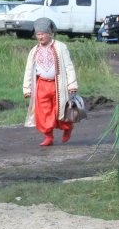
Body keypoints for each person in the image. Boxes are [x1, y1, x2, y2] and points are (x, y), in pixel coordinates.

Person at [21, 18, 78, 147]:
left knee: (61, 109)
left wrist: (72, 84)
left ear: (49, 34)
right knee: (44, 112)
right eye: (38, 34)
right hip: (41, 85)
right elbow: (29, 70)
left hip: (59, 84)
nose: (40, 37)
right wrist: (27, 88)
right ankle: (48, 137)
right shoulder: (34, 51)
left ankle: (68, 128)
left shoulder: (60, 47)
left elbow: (69, 66)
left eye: (42, 34)